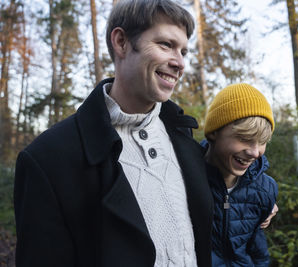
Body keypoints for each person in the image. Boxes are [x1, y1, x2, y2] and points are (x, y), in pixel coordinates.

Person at [13, 1, 214, 266]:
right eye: (166, 45)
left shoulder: (184, 138)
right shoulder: (48, 160)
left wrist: (263, 199)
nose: (179, 63)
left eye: (183, 51)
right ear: (121, 42)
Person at [201, 83, 278, 266]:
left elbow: (258, 250)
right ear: (214, 133)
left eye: (262, 142)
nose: (255, 152)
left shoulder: (265, 189)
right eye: (244, 139)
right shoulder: (185, 177)